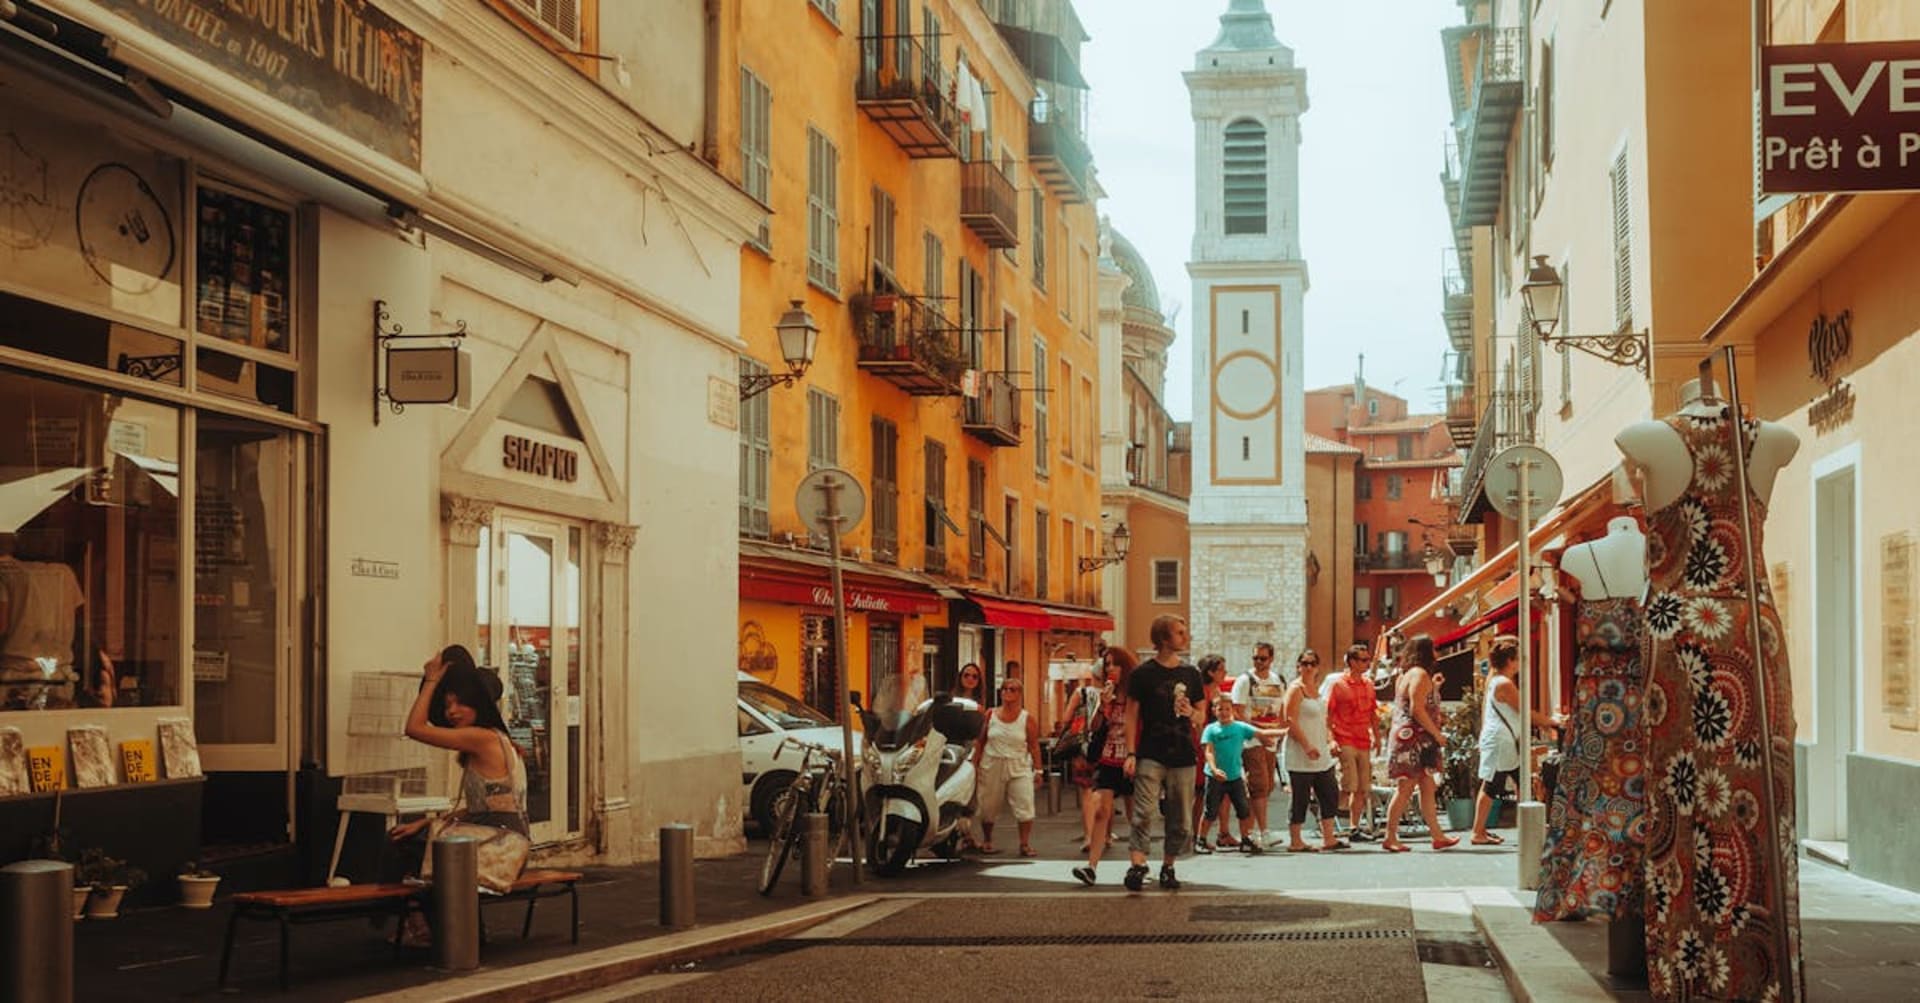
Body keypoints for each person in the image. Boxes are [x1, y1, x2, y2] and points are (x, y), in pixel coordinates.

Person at [1122, 614, 1206, 892]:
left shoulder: (1191, 674)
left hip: (1183, 754)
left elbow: (1202, 716)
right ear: (1163, 639)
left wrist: (1191, 712)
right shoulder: (1143, 674)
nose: (1186, 636)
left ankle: (1168, 866)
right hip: (1151, 752)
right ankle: (1137, 865)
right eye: (1180, 633)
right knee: (1144, 812)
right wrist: (1131, 753)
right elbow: (1131, 715)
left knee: (1180, 818)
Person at [1470, 636, 1559, 844]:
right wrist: (1551, 722)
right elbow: (1525, 711)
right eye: (1519, 658)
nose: (1521, 663)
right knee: (1492, 784)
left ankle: (1530, 828)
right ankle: (1478, 831)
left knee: (1521, 782)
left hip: (1504, 742)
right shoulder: (1504, 684)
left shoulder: (1495, 680)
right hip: (1501, 742)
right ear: (1510, 660)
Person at [1381, 634, 1457, 853]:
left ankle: (1437, 834)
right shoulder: (1420, 674)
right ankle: (1390, 836)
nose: (1437, 653)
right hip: (1414, 739)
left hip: (1411, 737)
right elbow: (1417, 709)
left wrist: (1434, 688)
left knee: (1427, 786)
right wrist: (1437, 735)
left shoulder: (1408, 675)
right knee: (1405, 788)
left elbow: (1417, 703)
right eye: (1434, 648)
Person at [1073, 647, 1137, 886]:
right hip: (1108, 758)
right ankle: (1092, 866)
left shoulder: (1135, 695)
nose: (1109, 669)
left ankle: (1137, 862)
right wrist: (1103, 706)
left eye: (1114, 664)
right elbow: (1095, 726)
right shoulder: (1105, 695)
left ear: (1125, 667)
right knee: (1102, 810)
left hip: (1131, 758)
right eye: (1107, 664)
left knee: (1134, 815)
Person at [1198, 695, 1284, 853]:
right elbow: (1208, 751)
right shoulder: (1210, 730)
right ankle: (1201, 840)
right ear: (1214, 711)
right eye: (1220, 709)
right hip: (1215, 777)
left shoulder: (1239, 727)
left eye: (1227, 709)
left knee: (1243, 810)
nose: (1224, 712)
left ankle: (1246, 840)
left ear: (1232, 710)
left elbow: (1261, 733)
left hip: (1235, 776)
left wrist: (1284, 731)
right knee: (1210, 811)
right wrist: (1214, 769)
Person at [972, 676, 1042, 856]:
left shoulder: (1027, 718)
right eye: (1004, 689)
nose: (1007, 692)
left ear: (1020, 694)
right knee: (988, 805)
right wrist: (974, 764)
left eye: (1012, 689)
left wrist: (1039, 770)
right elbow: (980, 741)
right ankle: (988, 840)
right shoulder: (990, 714)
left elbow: (1034, 746)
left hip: (1018, 765)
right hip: (992, 763)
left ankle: (1024, 844)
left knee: (1025, 803)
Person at [1283, 650, 1346, 852]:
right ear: (1298, 666)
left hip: (1321, 753)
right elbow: (1289, 720)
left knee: (1329, 793)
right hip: (1301, 753)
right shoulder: (1295, 689)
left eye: (1312, 663)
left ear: (1318, 667)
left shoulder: (1317, 690)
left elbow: (1324, 721)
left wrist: (1330, 741)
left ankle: (1329, 837)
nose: (1308, 667)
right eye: (1304, 663)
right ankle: (1296, 840)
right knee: (1300, 797)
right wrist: (1306, 745)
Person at [1230, 641, 1289, 847]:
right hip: (1251, 740)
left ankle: (1251, 833)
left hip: (1270, 739)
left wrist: (1278, 732)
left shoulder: (1277, 680)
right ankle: (1261, 832)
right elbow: (1237, 712)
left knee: (1266, 787)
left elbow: (1280, 708)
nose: (1259, 662)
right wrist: (1258, 731)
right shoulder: (1245, 680)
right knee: (1258, 785)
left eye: (1263, 658)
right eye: (1255, 658)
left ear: (1271, 659)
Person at [1325, 643, 1381, 841]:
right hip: (1345, 737)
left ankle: (1354, 827)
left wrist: (1377, 736)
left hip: (1363, 740)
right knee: (1350, 784)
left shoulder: (1368, 684)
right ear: (1352, 662)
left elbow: (1373, 713)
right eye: (1363, 660)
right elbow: (1329, 715)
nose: (1367, 663)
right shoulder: (1338, 685)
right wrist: (1331, 740)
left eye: (1368, 660)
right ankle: (1328, 818)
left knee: (1363, 787)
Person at [1058, 665, 1104, 849]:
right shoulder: (1113, 693)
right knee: (1105, 792)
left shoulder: (1082, 693)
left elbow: (1066, 718)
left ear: (1093, 674)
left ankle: (1089, 836)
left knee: (1087, 792)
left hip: (1084, 747)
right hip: (1106, 746)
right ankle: (1105, 835)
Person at [1189, 654, 1229, 851]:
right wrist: (1203, 746)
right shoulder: (1203, 692)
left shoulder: (1217, 690)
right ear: (1211, 672)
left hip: (1219, 746)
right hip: (1204, 747)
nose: (1225, 673)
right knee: (1201, 792)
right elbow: (1199, 723)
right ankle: (1195, 834)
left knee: (1216, 791)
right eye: (1221, 669)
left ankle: (1218, 832)